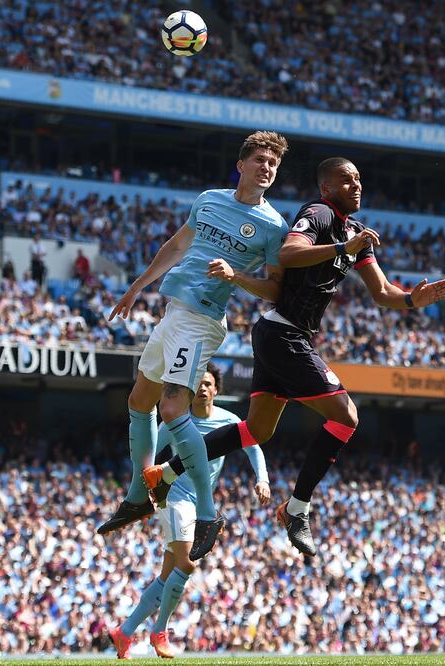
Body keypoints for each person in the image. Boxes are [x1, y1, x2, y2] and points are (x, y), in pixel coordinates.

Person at [142, 156, 445, 559]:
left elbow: (380, 292)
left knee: (257, 431)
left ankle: (164, 473)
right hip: (284, 333)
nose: (356, 185)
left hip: (279, 333)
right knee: (346, 417)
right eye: (346, 180)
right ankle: (297, 509)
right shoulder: (320, 214)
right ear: (326, 188)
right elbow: (289, 254)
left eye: (359, 179)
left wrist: (413, 299)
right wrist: (343, 246)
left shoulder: (356, 231)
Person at [97, 131, 289, 549]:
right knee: (139, 401)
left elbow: (276, 290)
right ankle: (137, 495)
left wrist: (235, 276)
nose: (266, 167)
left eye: (273, 164)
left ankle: (206, 513)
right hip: (173, 312)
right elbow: (178, 245)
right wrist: (136, 287)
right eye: (259, 160)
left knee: (171, 407)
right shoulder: (208, 200)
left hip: (202, 319)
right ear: (241, 165)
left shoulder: (275, 226)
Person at [109, 363, 270, 659]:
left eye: (209, 384)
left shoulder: (229, 421)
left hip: (200, 506)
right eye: (199, 384)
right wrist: (143, 493)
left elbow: (253, 446)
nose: (203, 389)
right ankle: (159, 632)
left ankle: (125, 632)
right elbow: (151, 452)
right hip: (174, 500)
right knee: (187, 565)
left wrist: (262, 479)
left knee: (167, 575)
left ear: (216, 390)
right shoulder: (175, 422)